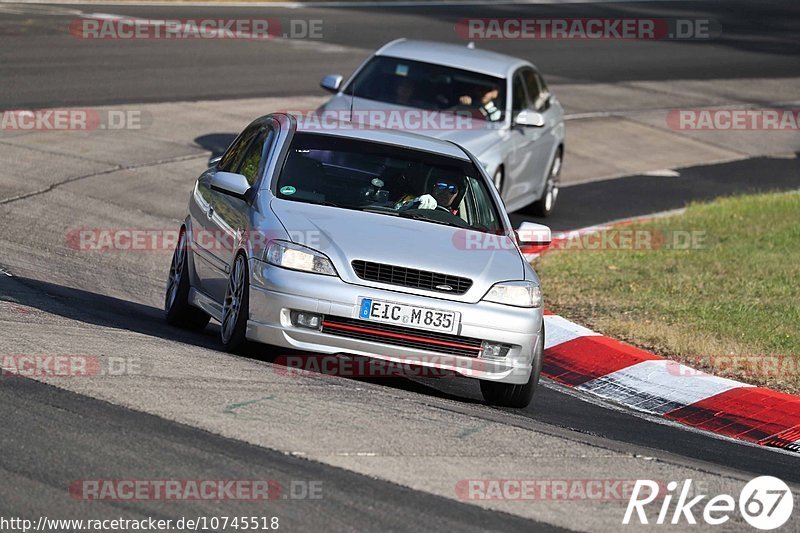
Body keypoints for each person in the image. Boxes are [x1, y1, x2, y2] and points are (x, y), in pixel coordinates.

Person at [396, 178, 461, 215]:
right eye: (442, 186)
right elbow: (395, 210)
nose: (446, 192)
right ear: (433, 187)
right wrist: (413, 204)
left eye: (452, 189)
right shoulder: (414, 200)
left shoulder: (458, 216)